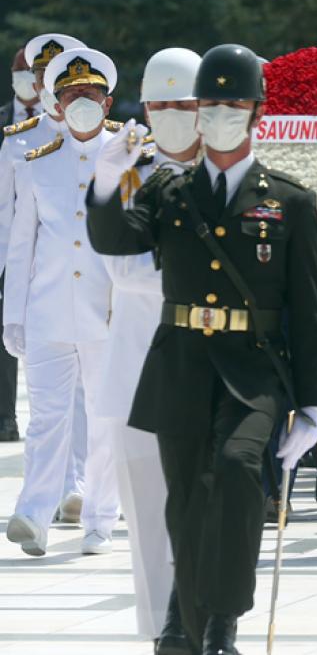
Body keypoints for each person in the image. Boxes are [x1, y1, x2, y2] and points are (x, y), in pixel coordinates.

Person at [86, 43, 317, 654]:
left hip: (255, 370)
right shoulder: (170, 191)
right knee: (188, 501)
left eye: (234, 105)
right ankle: (186, 625)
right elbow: (115, 241)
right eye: (212, 105)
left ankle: (221, 621)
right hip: (182, 364)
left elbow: (306, 307)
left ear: (257, 114)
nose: (221, 116)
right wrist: (107, 180)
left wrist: (314, 404)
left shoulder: (290, 202)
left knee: (238, 470)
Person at [91, 46, 202, 646]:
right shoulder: (131, 168)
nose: (168, 115)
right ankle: (163, 634)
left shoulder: (229, 171)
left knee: (208, 519)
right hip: (135, 370)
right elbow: (122, 269)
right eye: (157, 104)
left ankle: (202, 625)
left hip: (210, 368)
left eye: (181, 104)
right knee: (146, 529)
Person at [4, 47, 118, 557]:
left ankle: (99, 518)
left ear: (108, 103)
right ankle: (33, 513)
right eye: (71, 95)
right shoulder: (36, 163)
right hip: (49, 311)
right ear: (57, 102)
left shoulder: (130, 157)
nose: (80, 103)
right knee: (47, 418)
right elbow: (21, 244)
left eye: (90, 95)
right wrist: (13, 317)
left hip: (107, 315)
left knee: (102, 418)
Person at [1, 32, 89, 516]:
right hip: (42, 285)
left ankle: (82, 485)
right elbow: (6, 225)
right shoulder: (20, 143)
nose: (44, 83)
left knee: (86, 399)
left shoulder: (109, 138)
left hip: (92, 289)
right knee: (50, 402)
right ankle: (59, 488)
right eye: (41, 76)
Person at [0, 47, 41, 443]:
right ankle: (4, 418)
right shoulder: (2, 123)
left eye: (32, 72)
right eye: (20, 72)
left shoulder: (57, 127)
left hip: (41, 244)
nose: (26, 79)